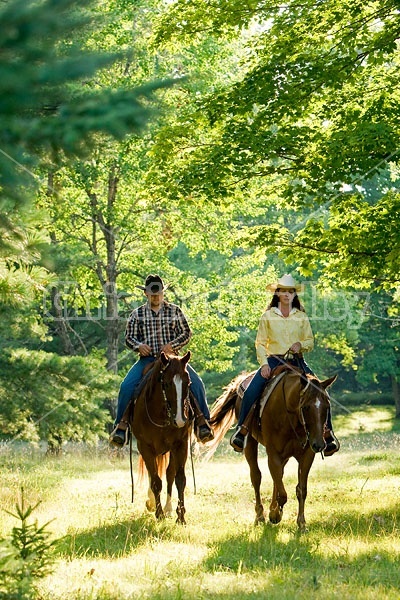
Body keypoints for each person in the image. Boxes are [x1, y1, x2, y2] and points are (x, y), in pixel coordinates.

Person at [230, 273, 340, 456]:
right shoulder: (267, 316)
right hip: (274, 360)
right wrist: (264, 364)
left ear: (294, 295)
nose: (287, 294)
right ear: (278, 293)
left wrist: (301, 345)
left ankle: (327, 434)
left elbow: (310, 341)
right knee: (251, 390)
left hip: (297, 361)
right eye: (283, 291)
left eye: (291, 291)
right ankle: (242, 431)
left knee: (321, 391)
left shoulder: (301, 317)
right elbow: (260, 343)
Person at [109, 274, 214, 447]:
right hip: (147, 360)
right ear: (146, 294)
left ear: (163, 293)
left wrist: (172, 345)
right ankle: (121, 426)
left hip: (173, 360)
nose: (156, 296)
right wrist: (139, 346)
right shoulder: (137, 314)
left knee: (196, 383)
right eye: (152, 293)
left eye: (158, 293)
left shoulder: (175, 311)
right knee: (126, 386)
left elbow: (186, 333)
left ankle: (203, 423)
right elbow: (129, 338)